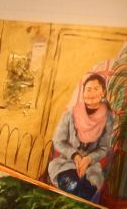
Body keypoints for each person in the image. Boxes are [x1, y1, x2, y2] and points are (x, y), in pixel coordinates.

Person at [47, 74, 114, 202]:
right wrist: (75, 156)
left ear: (103, 92)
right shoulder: (70, 115)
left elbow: (104, 148)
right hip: (66, 164)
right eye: (88, 89)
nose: (91, 93)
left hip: (91, 167)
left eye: (96, 89)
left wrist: (88, 159)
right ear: (83, 92)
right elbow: (58, 141)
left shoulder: (108, 119)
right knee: (71, 187)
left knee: (85, 194)